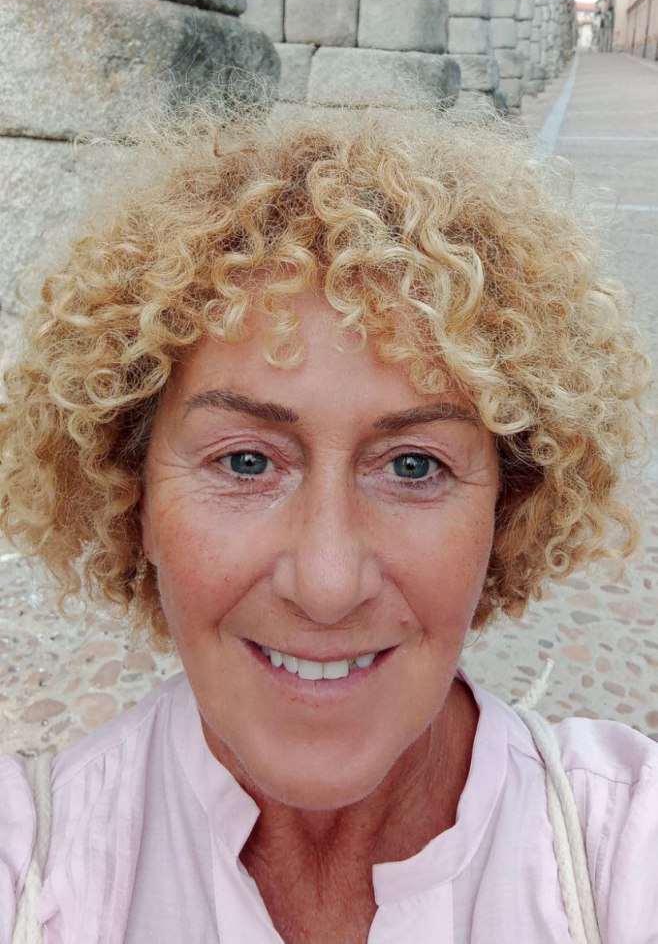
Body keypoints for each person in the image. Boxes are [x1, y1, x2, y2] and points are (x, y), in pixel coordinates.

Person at [0, 104, 655, 944]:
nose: (327, 583)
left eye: (413, 466)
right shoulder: (30, 868)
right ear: (136, 500)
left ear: (508, 510)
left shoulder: (624, 847)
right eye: (246, 461)